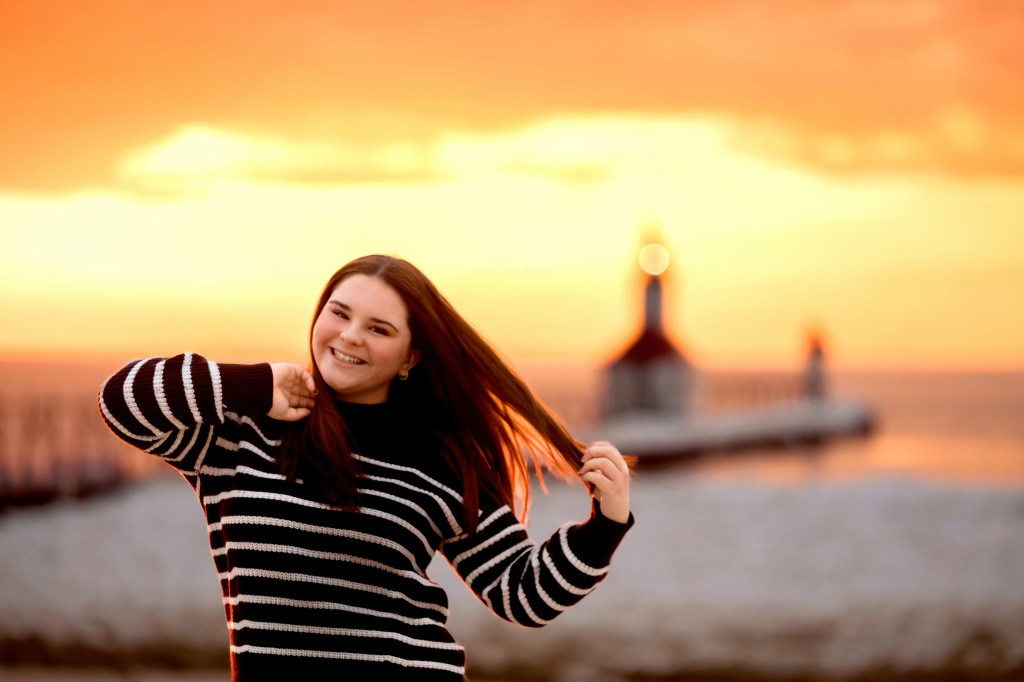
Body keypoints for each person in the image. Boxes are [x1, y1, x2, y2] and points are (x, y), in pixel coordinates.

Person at [97, 254, 634, 681]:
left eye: (379, 328)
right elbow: (122, 402)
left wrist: (604, 526)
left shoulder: (443, 460)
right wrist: (255, 385)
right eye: (339, 313)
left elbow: (522, 594)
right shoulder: (243, 433)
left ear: (410, 357)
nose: (351, 335)